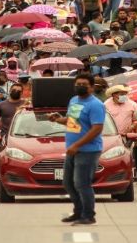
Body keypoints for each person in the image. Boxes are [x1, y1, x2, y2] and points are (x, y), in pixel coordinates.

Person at [49, 73, 105, 225]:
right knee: (68, 183)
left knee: (82, 183)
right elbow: (71, 121)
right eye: (77, 84)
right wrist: (57, 119)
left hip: (88, 150)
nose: (80, 87)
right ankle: (78, 211)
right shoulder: (74, 100)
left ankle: (89, 215)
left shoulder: (96, 105)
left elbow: (97, 129)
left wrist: (77, 145)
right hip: (73, 149)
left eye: (84, 85)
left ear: (92, 87)